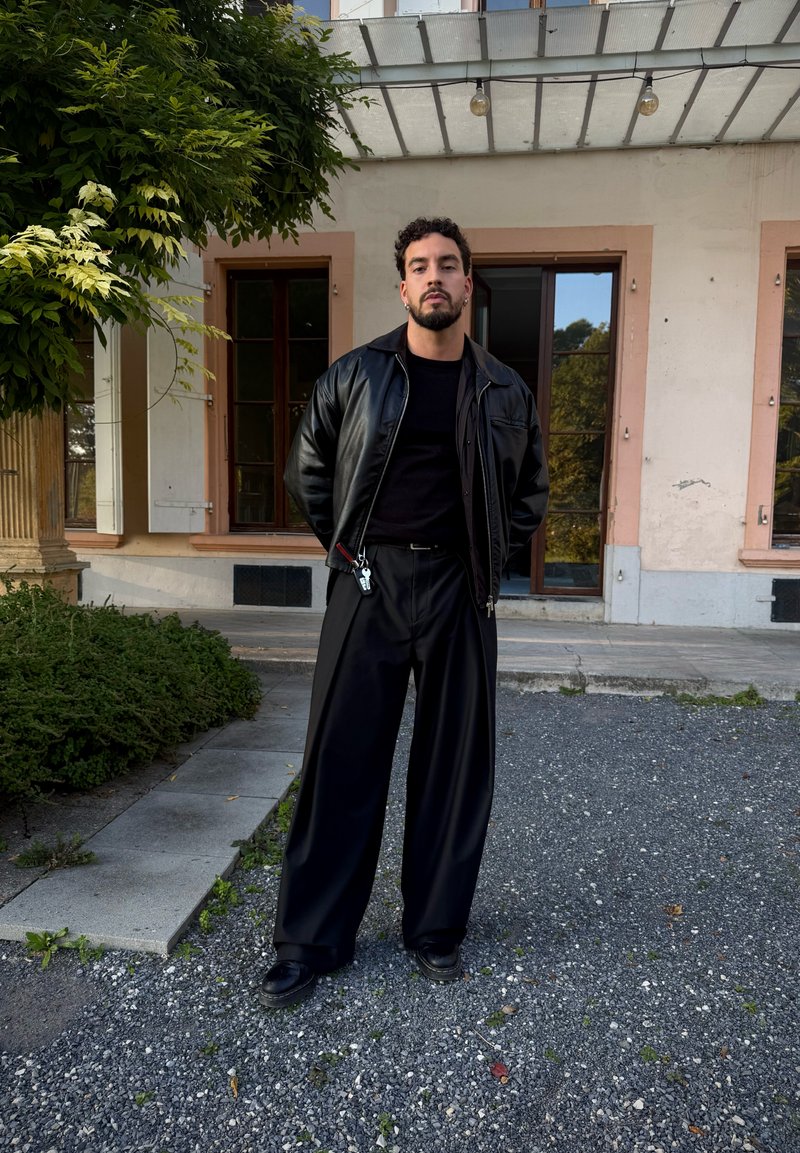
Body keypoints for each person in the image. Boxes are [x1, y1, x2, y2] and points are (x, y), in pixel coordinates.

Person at [259, 216, 549, 1008]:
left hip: (461, 588)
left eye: (448, 265)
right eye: (420, 266)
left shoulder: (504, 389)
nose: (434, 278)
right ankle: (310, 940)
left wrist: (489, 556)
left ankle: (434, 930)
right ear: (402, 285)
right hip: (370, 583)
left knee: (455, 767)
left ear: (467, 283)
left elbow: (529, 493)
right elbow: (306, 469)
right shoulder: (354, 376)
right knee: (340, 760)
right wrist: (348, 548)